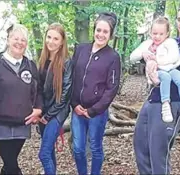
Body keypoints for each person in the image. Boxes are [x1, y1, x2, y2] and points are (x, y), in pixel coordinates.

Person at [133, 2, 180, 175]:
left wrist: (159, 79)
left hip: (172, 104)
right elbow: (151, 58)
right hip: (152, 99)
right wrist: (147, 58)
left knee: (158, 154)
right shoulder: (171, 42)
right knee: (140, 147)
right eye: (179, 19)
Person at [0, 23, 42, 175]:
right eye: (16, 38)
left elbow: (38, 91)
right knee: (11, 163)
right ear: (8, 40)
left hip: (22, 122)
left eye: (23, 40)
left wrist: (38, 108)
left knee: (9, 164)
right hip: (0, 123)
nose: (19, 42)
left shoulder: (30, 65)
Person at [71, 12, 121, 175]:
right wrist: (74, 104)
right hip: (77, 109)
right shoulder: (81, 49)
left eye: (105, 32)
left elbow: (111, 88)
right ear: (94, 30)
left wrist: (93, 110)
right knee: (78, 149)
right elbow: (71, 77)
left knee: (95, 147)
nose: (101, 34)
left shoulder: (113, 57)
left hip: (97, 113)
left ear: (110, 35)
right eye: (98, 30)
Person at [130, 17, 180, 127]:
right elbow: (132, 57)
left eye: (161, 34)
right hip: (157, 71)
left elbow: (174, 57)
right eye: (155, 33)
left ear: (167, 33)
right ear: (150, 33)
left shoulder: (171, 42)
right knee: (165, 78)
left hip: (171, 68)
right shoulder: (148, 44)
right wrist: (143, 53)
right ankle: (165, 104)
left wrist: (157, 60)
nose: (157, 36)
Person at [37, 23, 73, 174]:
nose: (51, 41)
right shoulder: (42, 59)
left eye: (56, 38)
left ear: (62, 41)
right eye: (49, 37)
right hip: (44, 111)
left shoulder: (66, 61)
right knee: (49, 150)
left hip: (57, 111)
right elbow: (38, 88)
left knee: (43, 154)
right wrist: (39, 111)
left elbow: (65, 94)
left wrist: (48, 115)